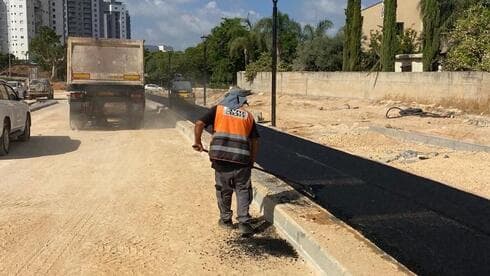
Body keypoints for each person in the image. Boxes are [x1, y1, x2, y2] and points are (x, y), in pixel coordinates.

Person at [193, 87, 260, 236]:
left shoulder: (218, 110)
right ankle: (244, 223)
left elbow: (199, 124)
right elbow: (255, 141)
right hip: (242, 160)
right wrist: (252, 161)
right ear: (241, 101)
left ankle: (226, 221)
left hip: (221, 159)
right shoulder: (247, 116)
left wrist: (198, 142)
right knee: (242, 190)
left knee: (224, 189)